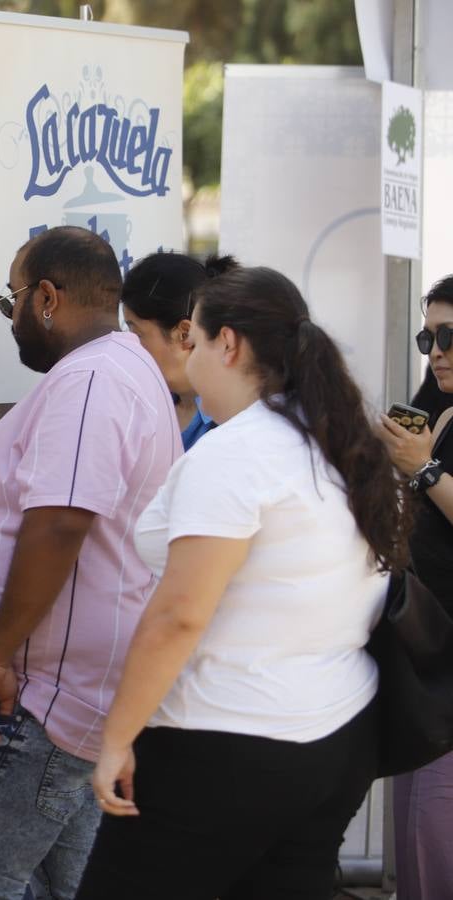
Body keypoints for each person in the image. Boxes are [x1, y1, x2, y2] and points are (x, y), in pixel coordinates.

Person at [78, 267, 408, 900]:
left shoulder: (239, 454)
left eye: (194, 342)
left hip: (226, 740)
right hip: (332, 736)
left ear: (227, 344)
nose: (189, 359)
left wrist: (117, 738)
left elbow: (180, 615)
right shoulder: (339, 444)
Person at [0, 226, 180, 900]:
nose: (13, 318)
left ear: (47, 298)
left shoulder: (91, 380)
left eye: (12, 302)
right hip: (54, 705)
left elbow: (60, 523)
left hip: (30, 706)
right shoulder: (118, 371)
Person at [375, 273, 453, 899]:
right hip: (419, 642)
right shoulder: (424, 403)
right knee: (411, 834)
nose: (437, 351)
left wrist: (423, 469)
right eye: (429, 336)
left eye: (451, 336)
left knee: (434, 826)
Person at [121, 251, 239, 450]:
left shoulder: (232, 420)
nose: (130, 345)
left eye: (137, 333)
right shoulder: (142, 405)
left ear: (185, 333)